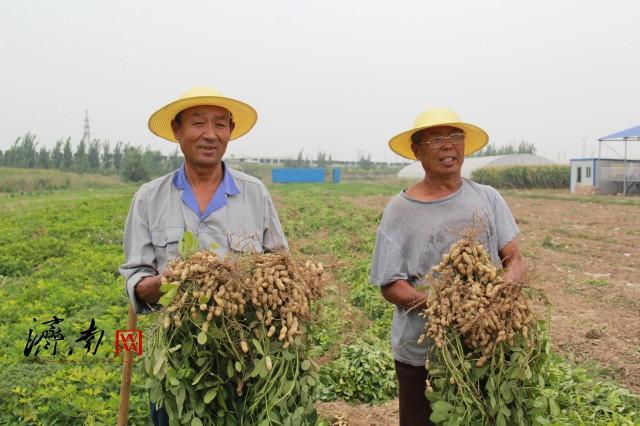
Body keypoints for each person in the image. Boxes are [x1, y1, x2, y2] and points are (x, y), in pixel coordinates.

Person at [119, 87, 288, 424]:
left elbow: (280, 265)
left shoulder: (254, 193)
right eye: (198, 123)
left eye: (220, 125)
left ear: (230, 133)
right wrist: (164, 283)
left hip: (243, 358)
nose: (210, 134)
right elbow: (135, 280)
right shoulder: (149, 198)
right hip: (174, 361)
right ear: (177, 131)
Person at [370, 109, 526, 426]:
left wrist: (501, 294)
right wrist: (442, 307)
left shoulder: (488, 198)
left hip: (484, 345)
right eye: (436, 139)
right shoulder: (399, 211)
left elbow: (515, 258)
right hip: (421, 350)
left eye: (455, 137)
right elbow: (390, 284)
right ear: (417, 150)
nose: (448, 146)